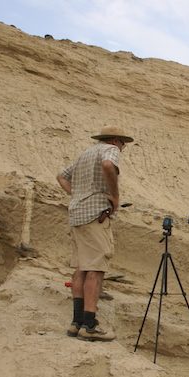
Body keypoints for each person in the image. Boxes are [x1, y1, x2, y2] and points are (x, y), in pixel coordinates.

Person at [57, 126, 133, 342]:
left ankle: (76, 322)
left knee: (81, 266)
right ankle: (90, 325)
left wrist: (78, 195)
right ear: (116, 140)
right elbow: (108, 165)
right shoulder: (110, 150)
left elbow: (61, 176)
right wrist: (114, 196)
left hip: (77, 213)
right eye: (123, 143)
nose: (123, 148)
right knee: (96, 268)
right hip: (95, 215)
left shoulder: (86, 153)